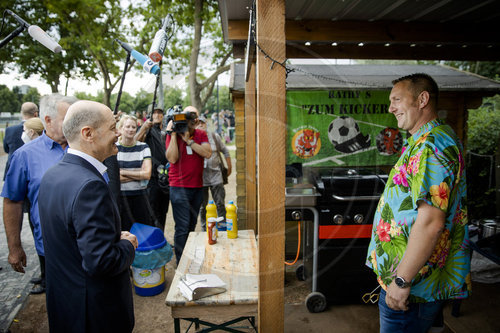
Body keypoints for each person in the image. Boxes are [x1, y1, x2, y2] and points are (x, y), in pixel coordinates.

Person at [366, 73, 470, 333]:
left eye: (397, 100)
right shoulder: (428, 139)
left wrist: (401, 281)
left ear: (422, 99)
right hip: (422, 280)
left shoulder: (432, 146)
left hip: (413, 285)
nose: (391, 108)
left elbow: (431, 222)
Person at [38, 100, 138, 333]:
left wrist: (110, 239)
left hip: (66, 308)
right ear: (88, 133)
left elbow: (72, 240)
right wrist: (126, 244)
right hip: (94, 315)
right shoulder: (90, 186)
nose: (118, 133)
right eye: (113, 127)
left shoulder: (52, 175)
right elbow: (101, 262)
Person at [1, 94, 76, 295]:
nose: (75, 124)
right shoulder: (24, 156)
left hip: (89, 245)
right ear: (48, 120)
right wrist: (14, 247)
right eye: (68, 119)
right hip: (52, 250)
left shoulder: (86, 147)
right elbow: (12, 202)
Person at [166, 106, 211, 264]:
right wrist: (173, 135)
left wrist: (189, 141)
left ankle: (188, 256)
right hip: (179, 187)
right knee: (182, 226)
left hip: (197, 187)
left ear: (197, 120)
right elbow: (172, 159)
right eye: (186, 117)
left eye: (193, 117)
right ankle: (181, 261)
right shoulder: (174, 135)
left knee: (192, 224)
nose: (190, 120)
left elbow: (207, 153)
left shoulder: (200, 134)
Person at [135, 107, 170, 231]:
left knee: (163, 211)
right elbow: (135, 142)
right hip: (152, 179)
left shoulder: (166, 131)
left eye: (160, 112)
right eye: (154, 113)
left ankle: (161, 238)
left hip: (165, 178)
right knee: (152, 211)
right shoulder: (147, 130)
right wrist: (145, 127)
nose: (157, 115)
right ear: (150, 115)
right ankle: (153, 240)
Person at [116, 114, 153, 231]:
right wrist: (138, 173)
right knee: (124, 230)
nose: (131, 130)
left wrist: (123, 172)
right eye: (127, 127)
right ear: (121, 128)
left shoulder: (143, 147)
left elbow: (147, 174)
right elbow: (115, 177)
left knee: (142, 231)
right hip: (121, 198)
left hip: (141, 197)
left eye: (133, 127)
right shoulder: (113, 148)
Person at [196, 115, 232, 231]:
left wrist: (229, 166)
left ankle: (222, 228)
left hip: (216, 176)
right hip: (201, 179)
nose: (200, 125)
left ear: (206, 124)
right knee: (202, 207)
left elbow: (225, 151)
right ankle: (204, 229)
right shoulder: (193, 139)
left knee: (220, 204)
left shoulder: (214, 137)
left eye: (202, 123)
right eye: (198, 123)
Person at [3, 102, 38, 179]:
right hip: (33, 172)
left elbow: (6, 149)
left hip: (12, 170)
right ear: (36, 114)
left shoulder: (10, 130)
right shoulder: (40, 130)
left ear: (21, 113)